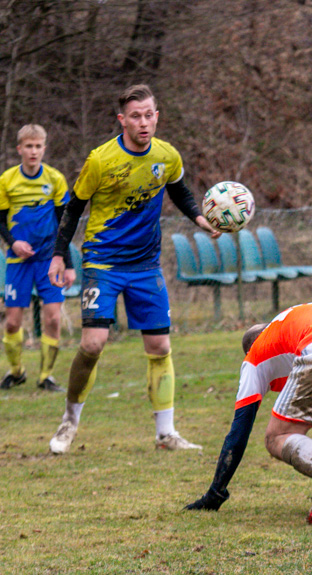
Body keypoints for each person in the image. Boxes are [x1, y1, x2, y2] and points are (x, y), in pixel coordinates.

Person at [46, 84, 221, 454]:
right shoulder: (101, 160)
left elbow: (180, 192)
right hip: (103, 261)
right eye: (136, 116)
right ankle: (69, 420)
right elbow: (74, 207)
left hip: (145, 264)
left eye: (149, 115)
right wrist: (59, 255)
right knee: (92, 344)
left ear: (157, 116)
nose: (144, 122)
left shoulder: (167, 155)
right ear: (122, 120)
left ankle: (166, 434)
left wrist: (200, 219)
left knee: (159, 346)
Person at [185, 300, 312, 524]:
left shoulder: (257, 354)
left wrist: (216, 491)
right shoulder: (292, 323)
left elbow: (239, 431)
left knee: (276, 437)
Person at [0, 124, 74, 392]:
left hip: (48, 261)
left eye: (38, 146)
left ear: (44, 148)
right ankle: (17, 371)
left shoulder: (55, 179)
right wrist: (13, 242)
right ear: (19, 149)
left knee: (53, 318)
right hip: (18, 262)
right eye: (28, 146)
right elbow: (0, 219)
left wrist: (67, 263)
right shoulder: (7, 180)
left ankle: (46, 377)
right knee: (12, 322)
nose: (33, 151)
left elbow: (64, 223)